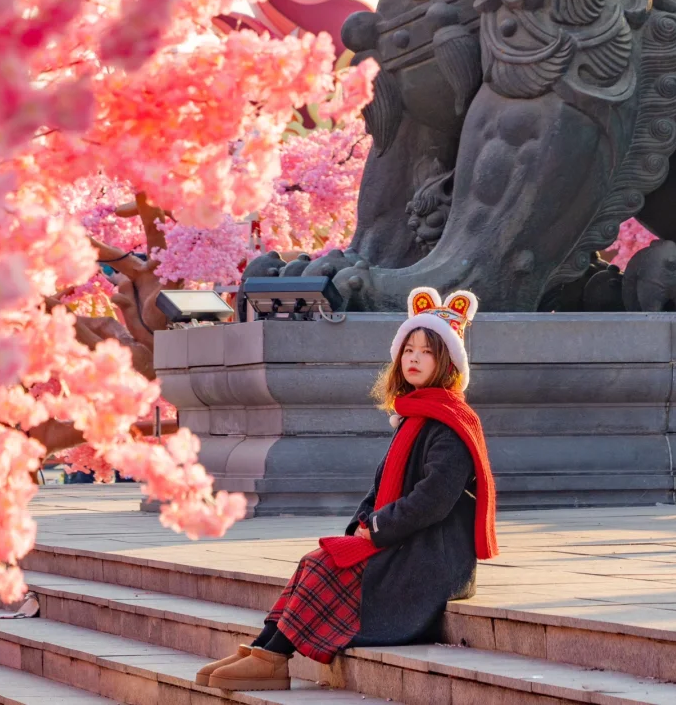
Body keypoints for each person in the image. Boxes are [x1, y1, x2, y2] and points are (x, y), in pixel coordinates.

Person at [196, 287, 497, 693]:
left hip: (434, 554)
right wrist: (362, 523)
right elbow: (380, 489)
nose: (413, 358)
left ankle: (274, 658)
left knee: (328, 566)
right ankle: (262, 649)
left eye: (426, 351)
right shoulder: (414, 415)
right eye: (409, 349)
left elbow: (434, 499)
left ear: (446, 363)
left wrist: (376, 527)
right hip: (407, 541)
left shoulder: (450, 422)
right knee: (318, 558)